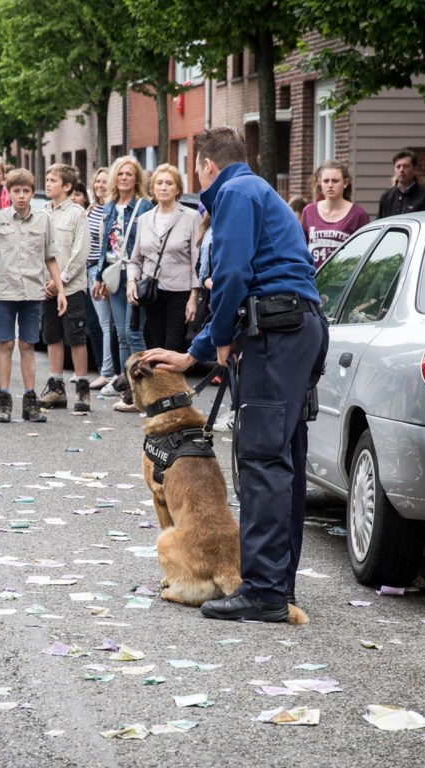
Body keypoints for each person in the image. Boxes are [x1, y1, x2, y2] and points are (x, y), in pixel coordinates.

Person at [142, 126, 328, 624]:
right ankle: (275, 581)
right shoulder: (256, 190)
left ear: (205, 164)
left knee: (262, 459)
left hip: (277, 331)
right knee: (281, 458)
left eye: (192, 165)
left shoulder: (234, 193)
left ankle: (264, 592)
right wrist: (194, 354)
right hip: (294, 326)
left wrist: (218, 337)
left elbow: (229, 274)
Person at [0, 168, 66, 424]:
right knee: (5, 344)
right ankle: (3, 399)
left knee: (27, 345)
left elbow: (51, 256)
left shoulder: (43, 219)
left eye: (26, 191)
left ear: (31, 192)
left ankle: (30, 399)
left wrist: (61, 290)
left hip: (33, 291)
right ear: (9, 192)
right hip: (4, 291)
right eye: (16, 191)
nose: (22, 196)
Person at [92, 156, 153, 411]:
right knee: (120, 334)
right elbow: (105, 245)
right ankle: (128, 389)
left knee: (133, 332)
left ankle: (143, 390)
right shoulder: (109, 206)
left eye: (130, 174)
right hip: (113, 273)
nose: (125, 178)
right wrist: (98, 277)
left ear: (136, 178)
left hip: (135, 274)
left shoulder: (144, 206)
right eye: (121, 174)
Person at [126, 163, 202, 355]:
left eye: (169, 183)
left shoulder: (191, 217)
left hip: (179, 292)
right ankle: (158, 385)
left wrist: (194, 297)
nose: (163, 187)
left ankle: (171, 386)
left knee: (173, 347)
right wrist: (131, 282)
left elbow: (197, 261)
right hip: (151, 293)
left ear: (178, 188)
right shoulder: (144, 219)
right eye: (159, 183)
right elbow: (135, 259)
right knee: (154, 345)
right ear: (152, 188)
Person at [38, 164, 91, 413]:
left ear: (67, 186)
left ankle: (82, 387)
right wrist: (45, 282)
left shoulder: (78, 214)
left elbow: (80, 253)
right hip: (47, 287)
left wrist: (61, 280)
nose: (47, 184)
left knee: (76, 337)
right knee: (52, 335)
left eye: (53, 180)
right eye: (46, 179)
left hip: (70, 288)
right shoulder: (42, 213)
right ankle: (56, 386)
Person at [301, 160, 370, 270]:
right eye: (326, 181)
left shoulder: (358, 215)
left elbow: (365, 254)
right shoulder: (309, 212)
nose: (330, 185)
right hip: (313, 280)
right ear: (320, 183)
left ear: (345, 183)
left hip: (344, 282)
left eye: (335, 181)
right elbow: (301, 250)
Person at [83, 169, 112, 389]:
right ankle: (105, 369)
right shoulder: (92, 208)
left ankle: (108, 372)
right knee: (95, 323)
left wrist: (100, 275)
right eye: (98, 181)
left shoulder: (109, 210)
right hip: (87, 271)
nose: (100, 185)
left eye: (105, 182)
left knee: (105, 324)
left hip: (100, 272)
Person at [377, 149, 425, 218]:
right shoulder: (386, 196)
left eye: (406, 166)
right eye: (398, 167)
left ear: (415, 169)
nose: (401, 170)